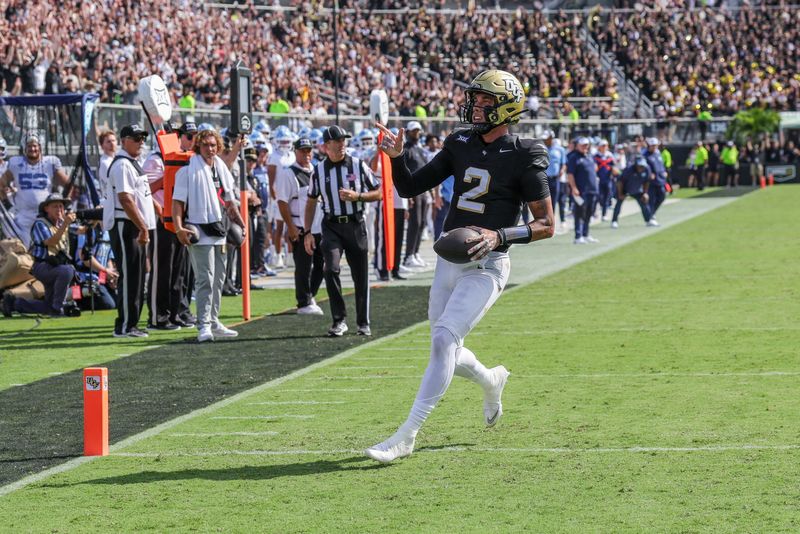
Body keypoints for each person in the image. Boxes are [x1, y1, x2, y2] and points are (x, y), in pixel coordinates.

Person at [366, 69, 553, 463]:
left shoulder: (526, 152)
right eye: (476, 99)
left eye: (486, 101)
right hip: (449, 260)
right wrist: (398, 158)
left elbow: (546, 225)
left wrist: (498, 236)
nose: (476, 107)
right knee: (446, 345)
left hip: (488, 264)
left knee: (442, 341)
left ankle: (407, 435)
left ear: (506, 108)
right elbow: (409, 187)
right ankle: (490, 380)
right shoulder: (459, 142)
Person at [303, 125, 381, 337]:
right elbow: (310, 202)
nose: (342, 145)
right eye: (337, 141)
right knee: (330, 269)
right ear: (326, 146)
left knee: (360, 275)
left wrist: (358, 197)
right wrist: (307, 231)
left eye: (343, 140)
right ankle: (339, 319)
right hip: (331, 226)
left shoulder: (357, 164)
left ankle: (363, 322)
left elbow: (379, 192)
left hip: (356, 225)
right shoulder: (318, 171)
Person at [172, 128, 246, 343]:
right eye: (206, 145)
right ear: (198, 146)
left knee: (219, 279)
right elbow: (177, 203)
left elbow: (229, 199)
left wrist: (240, 222)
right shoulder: (187, 171)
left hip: (220, 227)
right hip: (199, 227)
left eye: (213, 145)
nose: (210, 149)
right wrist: (178, 228)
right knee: (205, 278)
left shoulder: (221, 167)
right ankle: (203, 324)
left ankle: (213, 320)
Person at [103, 124, 157, 338]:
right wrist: (143, 227)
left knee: (136, 276)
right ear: (124, 140)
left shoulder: (132, 163)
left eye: (142, 137)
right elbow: (125, 198)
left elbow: (140, 195)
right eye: (136, 138)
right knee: (130, 276)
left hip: (134, 225)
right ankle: (125, 325)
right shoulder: (123, 165)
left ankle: (131, 323)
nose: (141, 141)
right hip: (127, 225)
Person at [142, 121, 197, 330]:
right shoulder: (156, 160)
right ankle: (157, 316)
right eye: (183, 135)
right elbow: (145, 189)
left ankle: (175, 312)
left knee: (178, 270)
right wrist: (168, 175)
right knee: (162, 269)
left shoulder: (183, 159)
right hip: (161, 218)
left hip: (178, 218)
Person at [2, 194, 77, 317]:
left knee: (48, 305)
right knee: (68, 271)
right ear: (46, 208)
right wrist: (65, 224)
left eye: (61, 206)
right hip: (42, 267)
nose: (59, 209)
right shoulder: (40, 224)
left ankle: (13, 303)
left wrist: (95, 219)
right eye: (55, 206)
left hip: (55, 266)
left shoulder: (61, 223)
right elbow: (50, 241)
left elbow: (81, 230)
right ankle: (58, 309)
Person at [276, 137, 324, 315]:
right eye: (303, 150)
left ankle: (311, 294)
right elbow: (282, 202)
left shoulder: (316, 171)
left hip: (319, 226)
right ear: (295, 152)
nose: (307, 154)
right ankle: (303, 301)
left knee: (322, 264)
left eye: (309, 150)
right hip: (301, 226)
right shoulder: (289, 174)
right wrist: (291, 227)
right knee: (304, 266)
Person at [0, 133, 69, 246]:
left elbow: (68, 184)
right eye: (29, 146)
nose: (32, 149)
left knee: (48, 247)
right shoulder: (16, 164)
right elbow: (1, 185)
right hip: (23, 216)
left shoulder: (49, 163)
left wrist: (65, 205)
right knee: (25, 249)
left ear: (40, 147)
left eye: (35, 145)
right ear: (24, 148)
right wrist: (8, 205)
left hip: (46, 215)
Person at [402, 121, 431, 269]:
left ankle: (415, 253)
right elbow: (404, 172)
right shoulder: (405, 150)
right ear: (407, 132)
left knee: (421, 224)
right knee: (415, 223)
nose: (416, 133)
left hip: (423, 191)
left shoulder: (419, 150)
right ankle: (408, 256)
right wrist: (408, 195)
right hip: (413, 192)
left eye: (418, 131)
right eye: (414, 131)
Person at [566, 137, 599, 244]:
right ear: (578, 146)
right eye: (582, 145)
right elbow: (570, 174)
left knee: (589, 213)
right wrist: (574, 188)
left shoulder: (589, 156)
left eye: (586, 145)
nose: (585, 147)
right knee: (579, 213)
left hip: (592, 190)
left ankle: (586, 234)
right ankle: (578, 236)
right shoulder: (574, 158)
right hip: (581, 191)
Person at [610, 156, 656, 229]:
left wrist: (645, 193)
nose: (641, 168)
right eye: (639, 166)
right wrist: (620, 194)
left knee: (644, 203)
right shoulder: (628, 170)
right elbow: (620, 182)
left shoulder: (647, 169)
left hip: (637, 189)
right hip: (624, 188)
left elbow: (646, 181)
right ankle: (614, 221)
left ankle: (648, 220)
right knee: (618, 204)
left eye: (642, 166)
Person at [543, 130, 566, 232]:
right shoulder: (541, 148)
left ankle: (554, 223)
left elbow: (563, 163)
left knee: (555, 201)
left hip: (555, 179)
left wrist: (562, 170)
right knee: (545, 203)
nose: (545, 140)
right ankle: (547, 223)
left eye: (547, 138)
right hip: (544, 179)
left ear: (551, 138)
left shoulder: (560, 149)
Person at [643, 138, 668, 220]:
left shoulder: (658, 153)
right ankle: (650, 217)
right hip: (651, 182)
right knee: (651, 199)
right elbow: (644, 167)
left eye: (656, 145)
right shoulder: (645, 155)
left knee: (662, 196)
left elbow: (661, 165)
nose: (654, 147)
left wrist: (664, 171)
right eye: (653, 145)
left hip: (660, 180)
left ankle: (652, 213)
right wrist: (649, 174)